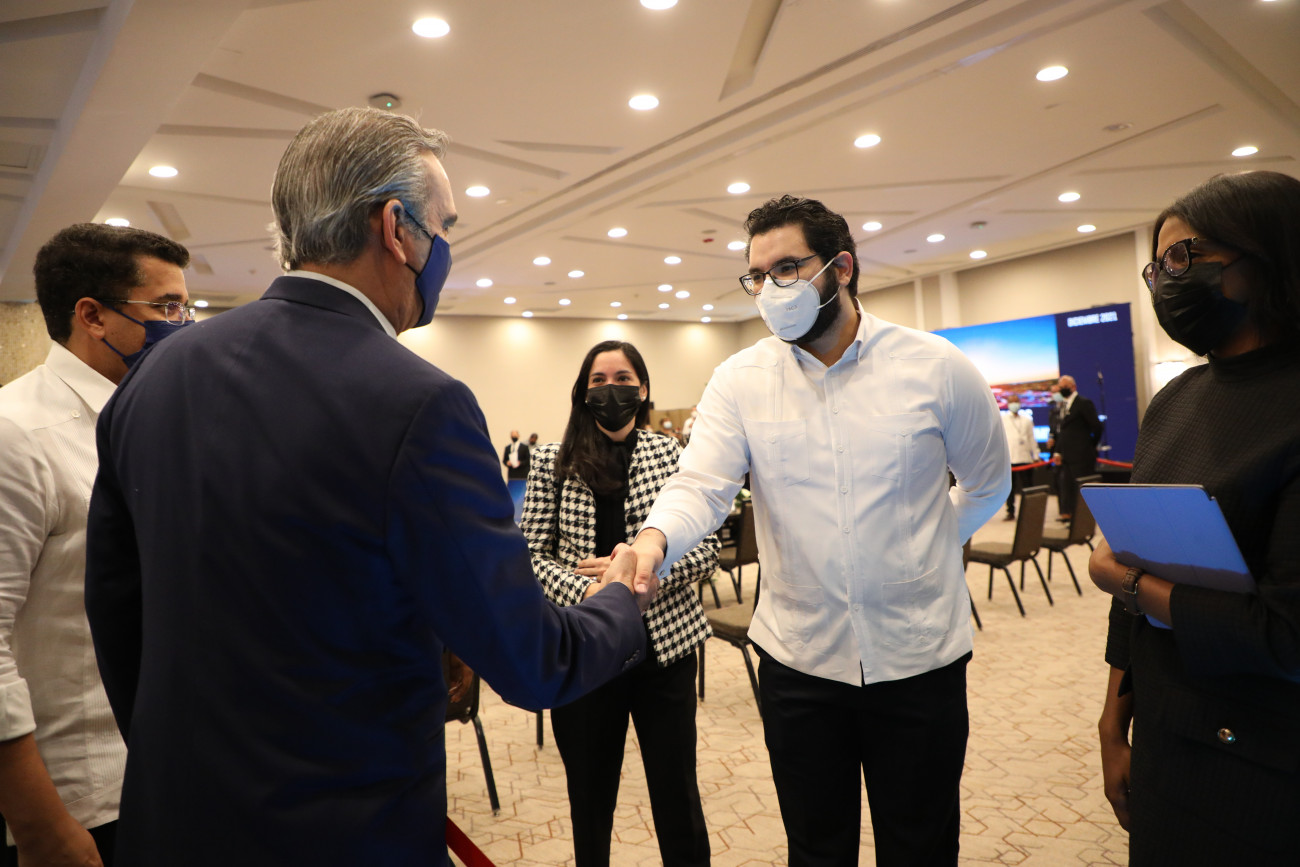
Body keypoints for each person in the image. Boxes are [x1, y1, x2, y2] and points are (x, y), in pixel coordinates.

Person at [83, 106, 655, 867]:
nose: (445, 246)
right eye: (444, 226)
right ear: (397, 229)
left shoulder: (155, 374)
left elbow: (116, 611)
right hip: (344, 832)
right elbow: (533, 661)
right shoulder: (423, 404)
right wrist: (620, 599)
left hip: (174, 823)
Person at [629, 195, 1010, 866]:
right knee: (816, 848)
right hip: (799, 660)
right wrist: (654, 539)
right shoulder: (740, 380)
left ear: (841, 267)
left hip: (918, 658)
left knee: (921, 846)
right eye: (757, 276)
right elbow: (702, 485)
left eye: (786, 268)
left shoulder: (935, 366)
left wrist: (925, 550)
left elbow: (987, 484)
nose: (770, 289)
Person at [1090, 170, 1300, 866]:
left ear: (1269, 253)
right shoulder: (1176, 399)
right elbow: (1136, 573)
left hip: (1266, 750)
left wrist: (1127, 583)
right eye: (1159, 267)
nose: (1167, 282)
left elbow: (1286, 635)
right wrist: (1113, 720)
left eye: (1186, 256)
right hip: (1166, 725)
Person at [0, 223, 190, 867]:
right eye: (166, 307)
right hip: (74, 797)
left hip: (160, 771)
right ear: (92, 316)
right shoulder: (19, 434)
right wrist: (41, 825)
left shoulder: (155, 419)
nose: (183, 324)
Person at [522, 340, 717, 867]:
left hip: (664, 650)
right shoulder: (552, 461)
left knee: (677, 793)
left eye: (624, 379)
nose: (612, 390)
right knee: (590, 799)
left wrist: (644, 574)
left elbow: (706, 551)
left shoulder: (673, 455)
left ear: (644, 388)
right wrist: (591, 591)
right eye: (599, 380)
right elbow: (529, 558)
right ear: (583, 392)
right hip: (585, 651)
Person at [1051, 373, 1102, 520]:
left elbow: (1097, 427)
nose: (1061, 389)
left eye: (1064, 387)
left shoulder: (1083, 403)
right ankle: (1071, 517)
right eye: (1060, 387)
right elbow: (1063, 432)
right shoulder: (1063, 406)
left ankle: (1084, 519)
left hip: (1082, 456)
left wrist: (1090, 445)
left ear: (1073, 387)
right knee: (1068, 488)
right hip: (1067, 457)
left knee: (1082, 489)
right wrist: (1058, 451)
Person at [1002, 395, 1039, 520]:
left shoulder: (1027, 420)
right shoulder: (1003, 420)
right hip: (1009, 459)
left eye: (1016, 401)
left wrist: (1036, 455)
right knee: (1009, 489)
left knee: (1028, 487)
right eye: (1011, 402)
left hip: (1025, 458)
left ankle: (1029, 511)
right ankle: (1010, 512)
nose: (1014, 404)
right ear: (1008, 404)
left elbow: (1031, 438)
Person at [502, 428, 530, 522]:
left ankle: (521, 514)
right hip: (512, 475)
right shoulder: (508, 447)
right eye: (512, 435)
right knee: (512, 494)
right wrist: (507, 463)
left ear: (518, 435)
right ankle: (512, 514)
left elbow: (527, 460)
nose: (513, 436)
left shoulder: (524, 447)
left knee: (521, 495)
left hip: (522, 475)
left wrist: (520, 463)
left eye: (515, 435)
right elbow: (504, 460)